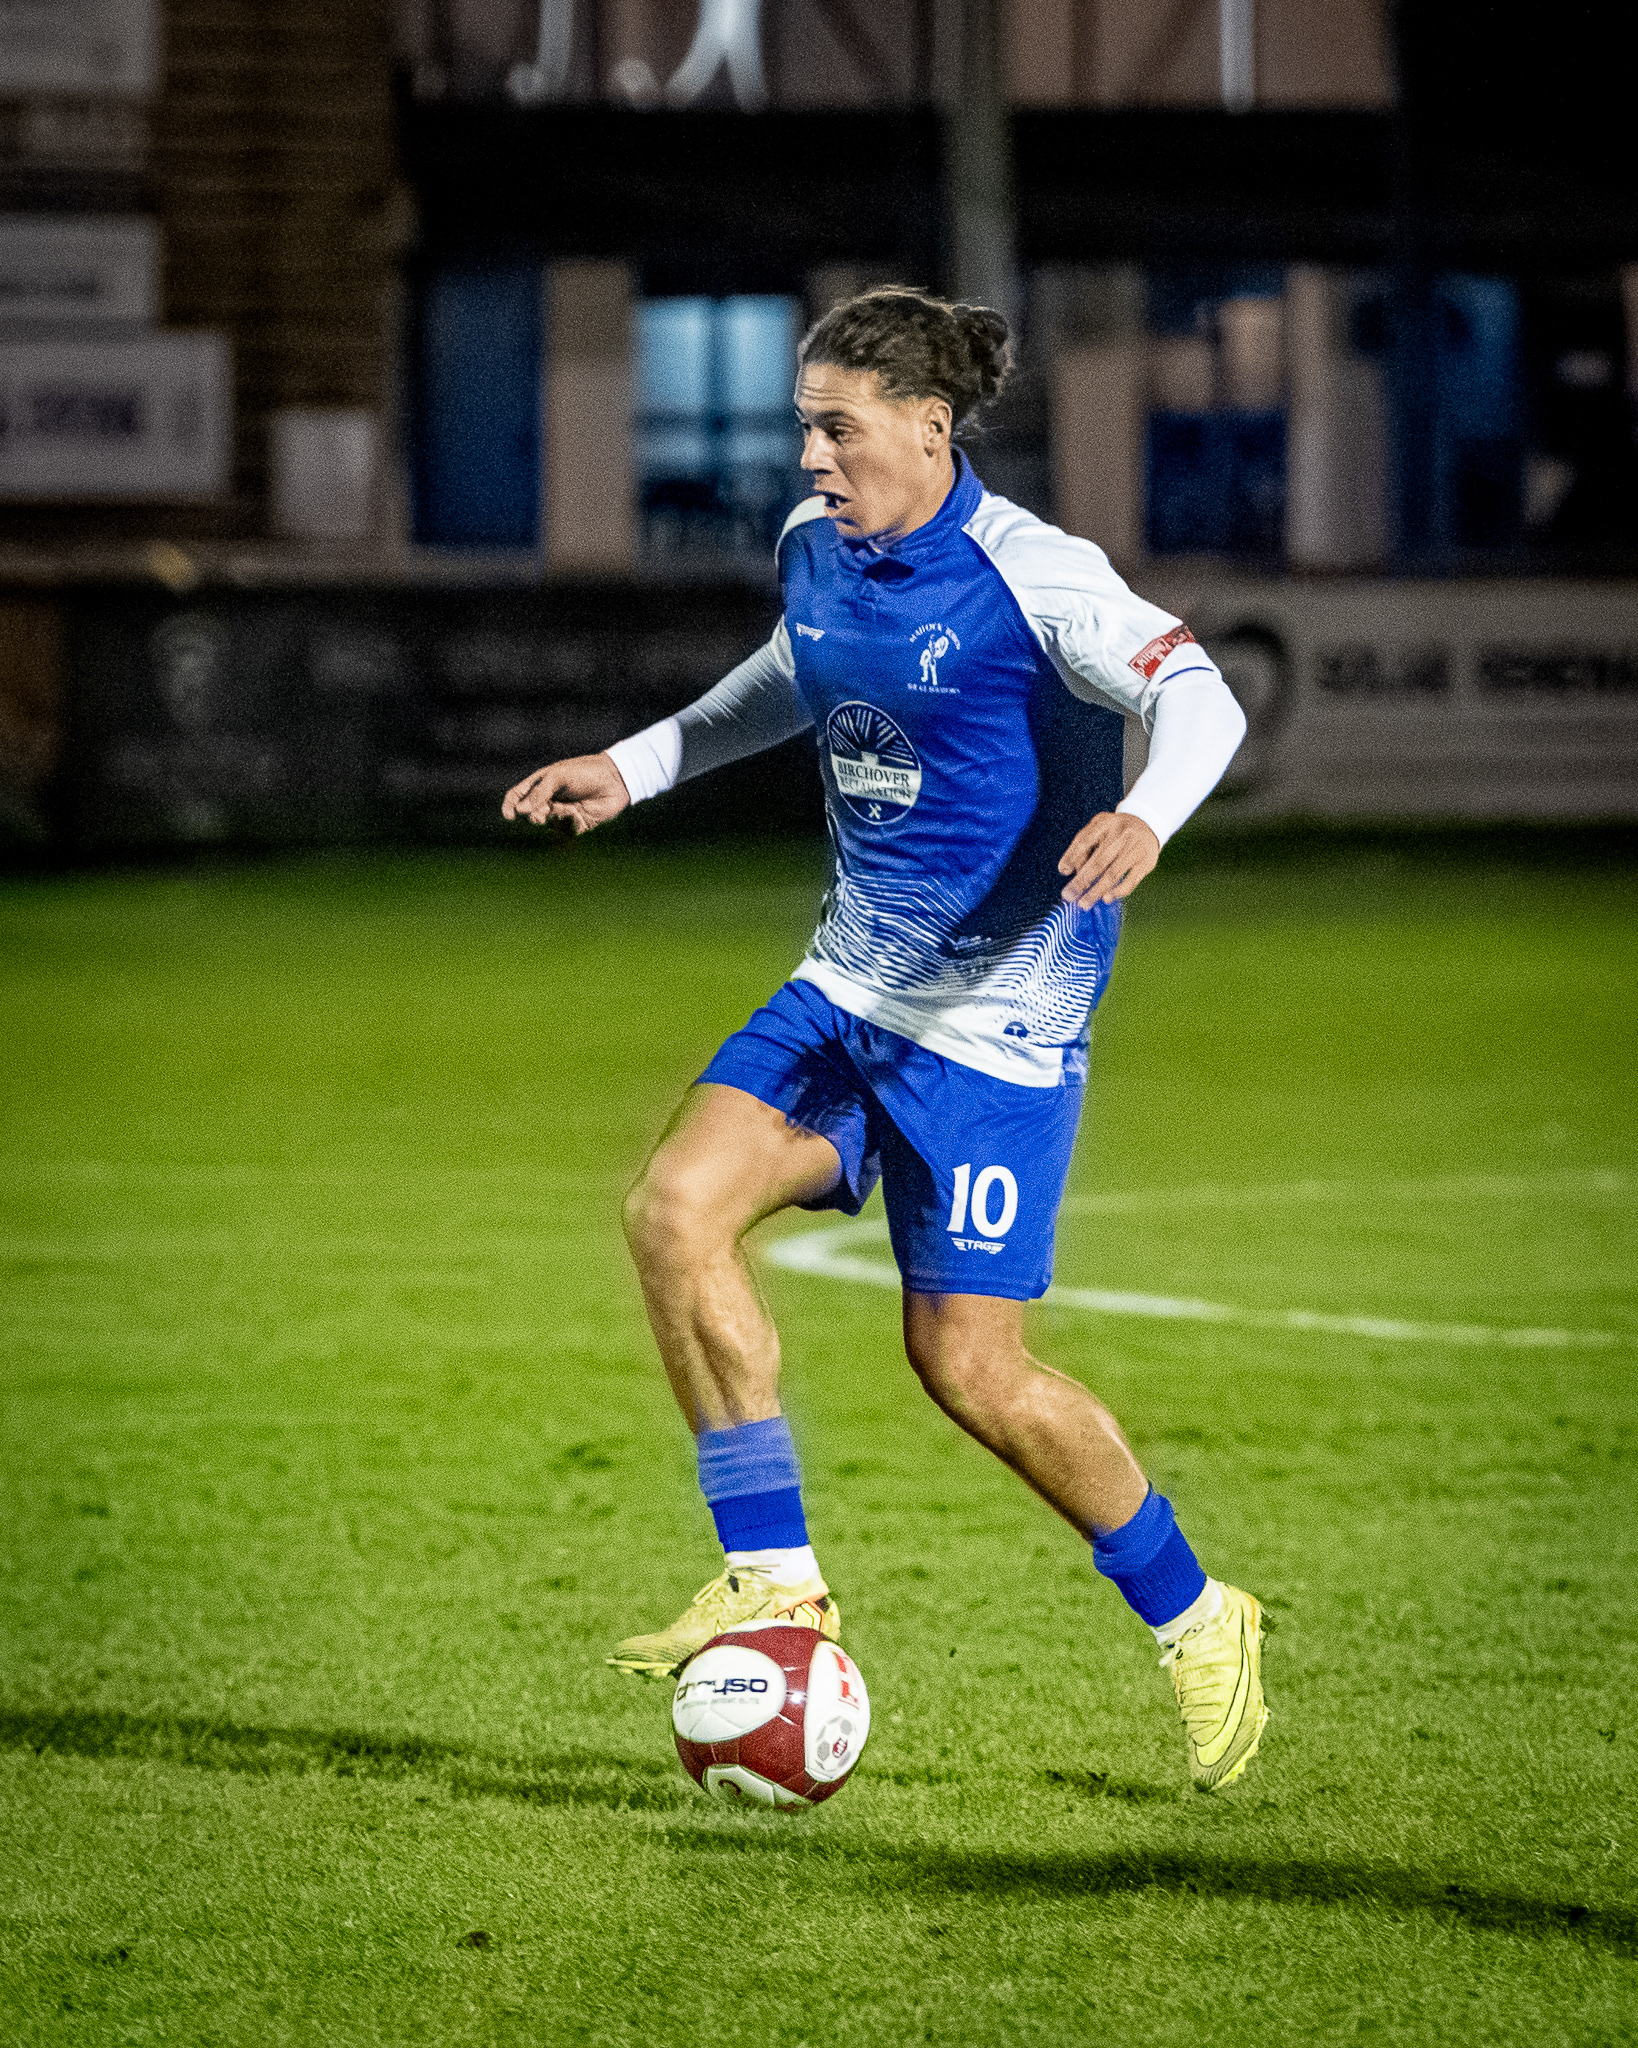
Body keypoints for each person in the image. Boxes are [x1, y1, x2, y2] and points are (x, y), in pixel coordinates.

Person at [503, 287, 1266, 1790]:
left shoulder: (1037, 575)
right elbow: (795, 676)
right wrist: (637, 765)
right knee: (672, 1210)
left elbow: (1203, 697)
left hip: (994, 1029)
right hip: (847, 991)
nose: (811, 457)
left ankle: (1197, 1617)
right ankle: (775, 1580)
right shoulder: (816, 546)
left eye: (837, 428)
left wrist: (1145, 813)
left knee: (969, 1369)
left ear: (929, 426)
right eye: (805, 427)